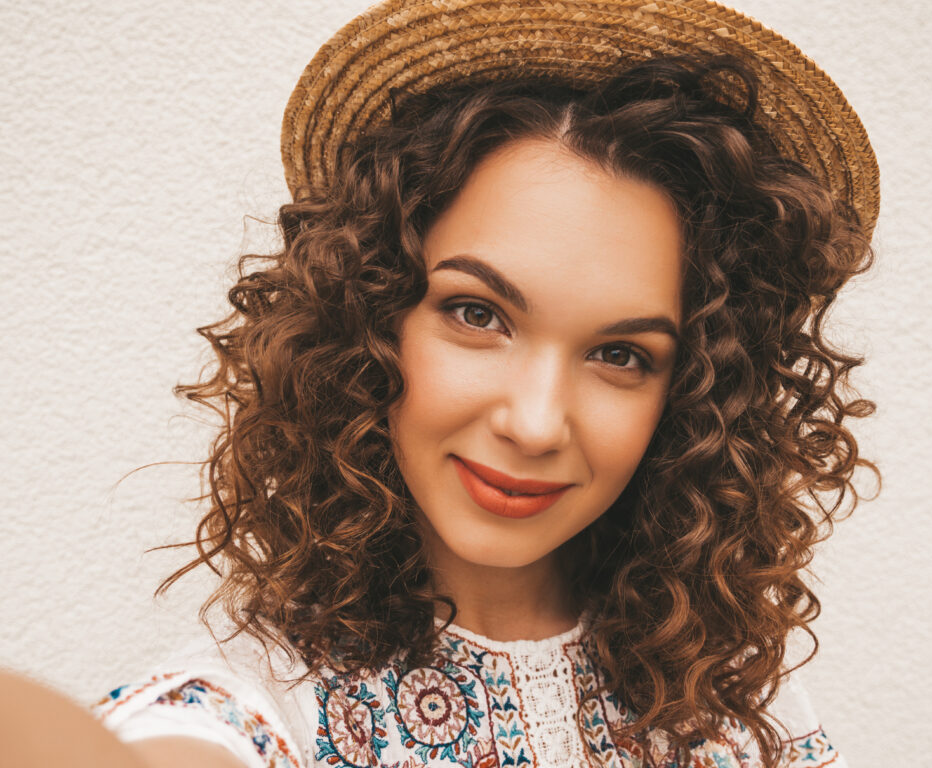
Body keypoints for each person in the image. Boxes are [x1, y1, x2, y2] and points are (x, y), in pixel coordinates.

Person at [0, 0, 880, 766]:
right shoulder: (260, 707)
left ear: (687, 399)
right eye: (478, 314)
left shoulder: (728, 704)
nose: (535, 424)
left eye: (621, 355)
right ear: (369, 316)